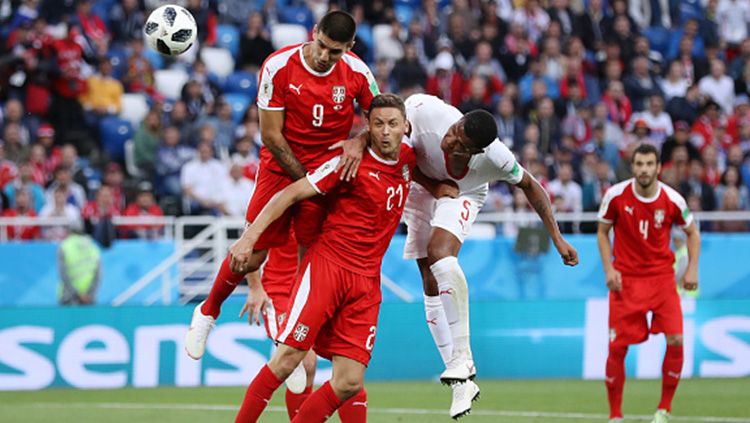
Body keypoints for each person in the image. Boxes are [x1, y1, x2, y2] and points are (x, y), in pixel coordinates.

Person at [185, 9, 379, 419]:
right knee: (250, 254)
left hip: (325, 174)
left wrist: (359, 141)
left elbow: (380, 120)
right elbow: (271, 136)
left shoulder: (358, 74)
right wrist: (306, 184)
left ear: (350, 48)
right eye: (323, 46)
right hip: (281, 168)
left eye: (336, 51)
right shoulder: (278, 65)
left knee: (315, 257)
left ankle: (303, 327)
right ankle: (208, 311)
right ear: (314, 34)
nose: (327, 56)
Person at [232, 94, 452, 422]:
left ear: (405, 126)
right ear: (368, 126)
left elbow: (414, 170)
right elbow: (289, 193)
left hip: (366, 282)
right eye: (378, 124)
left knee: (349, 381)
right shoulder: (348, 161)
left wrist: (437, 188)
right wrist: (249, 238)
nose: (386, 131)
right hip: (328, 268)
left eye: (393, 124)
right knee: (288, 359)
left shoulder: (409, 158)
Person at [398, 94, 579, 418]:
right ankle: (460, 382)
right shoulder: (427, 114)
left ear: (475, 151)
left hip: (464, 192)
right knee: (428, 279)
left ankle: (463, 355)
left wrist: (557, 237)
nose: (450, 138)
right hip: (422, 184)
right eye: (454, 129)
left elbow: (532, 186)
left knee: (440, 254)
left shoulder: (496, 157)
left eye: (459, 141)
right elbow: (396, 150)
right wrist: (432, 184)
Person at [597, 143, 700, 423]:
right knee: (617, 348)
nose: (644, 169)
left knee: (677, 339)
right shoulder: (615, 196)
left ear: (658, 167)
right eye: (639, 164)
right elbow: (603, 232)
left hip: (662, 279)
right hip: (626, 280)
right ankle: (615, 415)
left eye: (649, 164)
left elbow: (692, 234)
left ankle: (663, 410)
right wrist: (609, 269)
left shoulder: (673, 200)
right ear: (633, 167)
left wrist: (691, 269)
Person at [58, 228, 102, 305]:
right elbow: (98, 276)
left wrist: (76, 294)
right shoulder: (93, 247)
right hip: (89, 298)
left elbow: (63, 274)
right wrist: (89, 294)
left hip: (68, 297)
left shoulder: (64, 246)